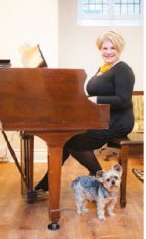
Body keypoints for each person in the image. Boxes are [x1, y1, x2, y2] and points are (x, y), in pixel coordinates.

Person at [35, 31, 135, 192]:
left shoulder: (123, 70)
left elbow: (123, 100)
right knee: (66, 138)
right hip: (101, 119)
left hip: (118, 122)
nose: (108, 52)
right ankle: (45, 185)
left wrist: (96, 100)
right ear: (100, 49)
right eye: (104, 48)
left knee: (71, 142)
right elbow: (95, 94)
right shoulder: (103, 69)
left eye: (112, 48)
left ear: (119, 49)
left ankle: (99, 179)